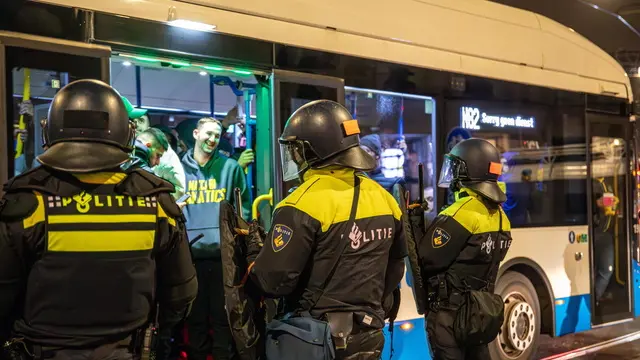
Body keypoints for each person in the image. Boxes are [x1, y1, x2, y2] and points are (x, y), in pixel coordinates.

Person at [0, 79, 198, 360]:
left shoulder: (29, 202)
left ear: (50, 130)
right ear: (125, 133)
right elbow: (181, 294)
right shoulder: (156, 202)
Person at [244, 100, 407, 359]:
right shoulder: (385, 199)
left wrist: (254, 253)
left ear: (312, 150)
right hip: (369, 335)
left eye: (296, 149)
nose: (294, 157)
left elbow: (273, 282)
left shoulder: (300, 203)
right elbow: (397, 266)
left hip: (316, 340)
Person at [417, 138, 512, 360]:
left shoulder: (460, 213)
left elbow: (427, 259)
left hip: (449, 315)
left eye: (456, 167)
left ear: (469, 170)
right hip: (479, 313)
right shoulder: (500, 217)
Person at [181, 116, 251, 360]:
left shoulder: (231, 168)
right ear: (196, 134)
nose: (212, 139)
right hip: (190, 257)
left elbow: (244, 209)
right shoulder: (179, 168)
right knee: (196, 319)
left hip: (224, 257)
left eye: (217, 135)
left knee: (223, 319)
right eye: (208, 134)